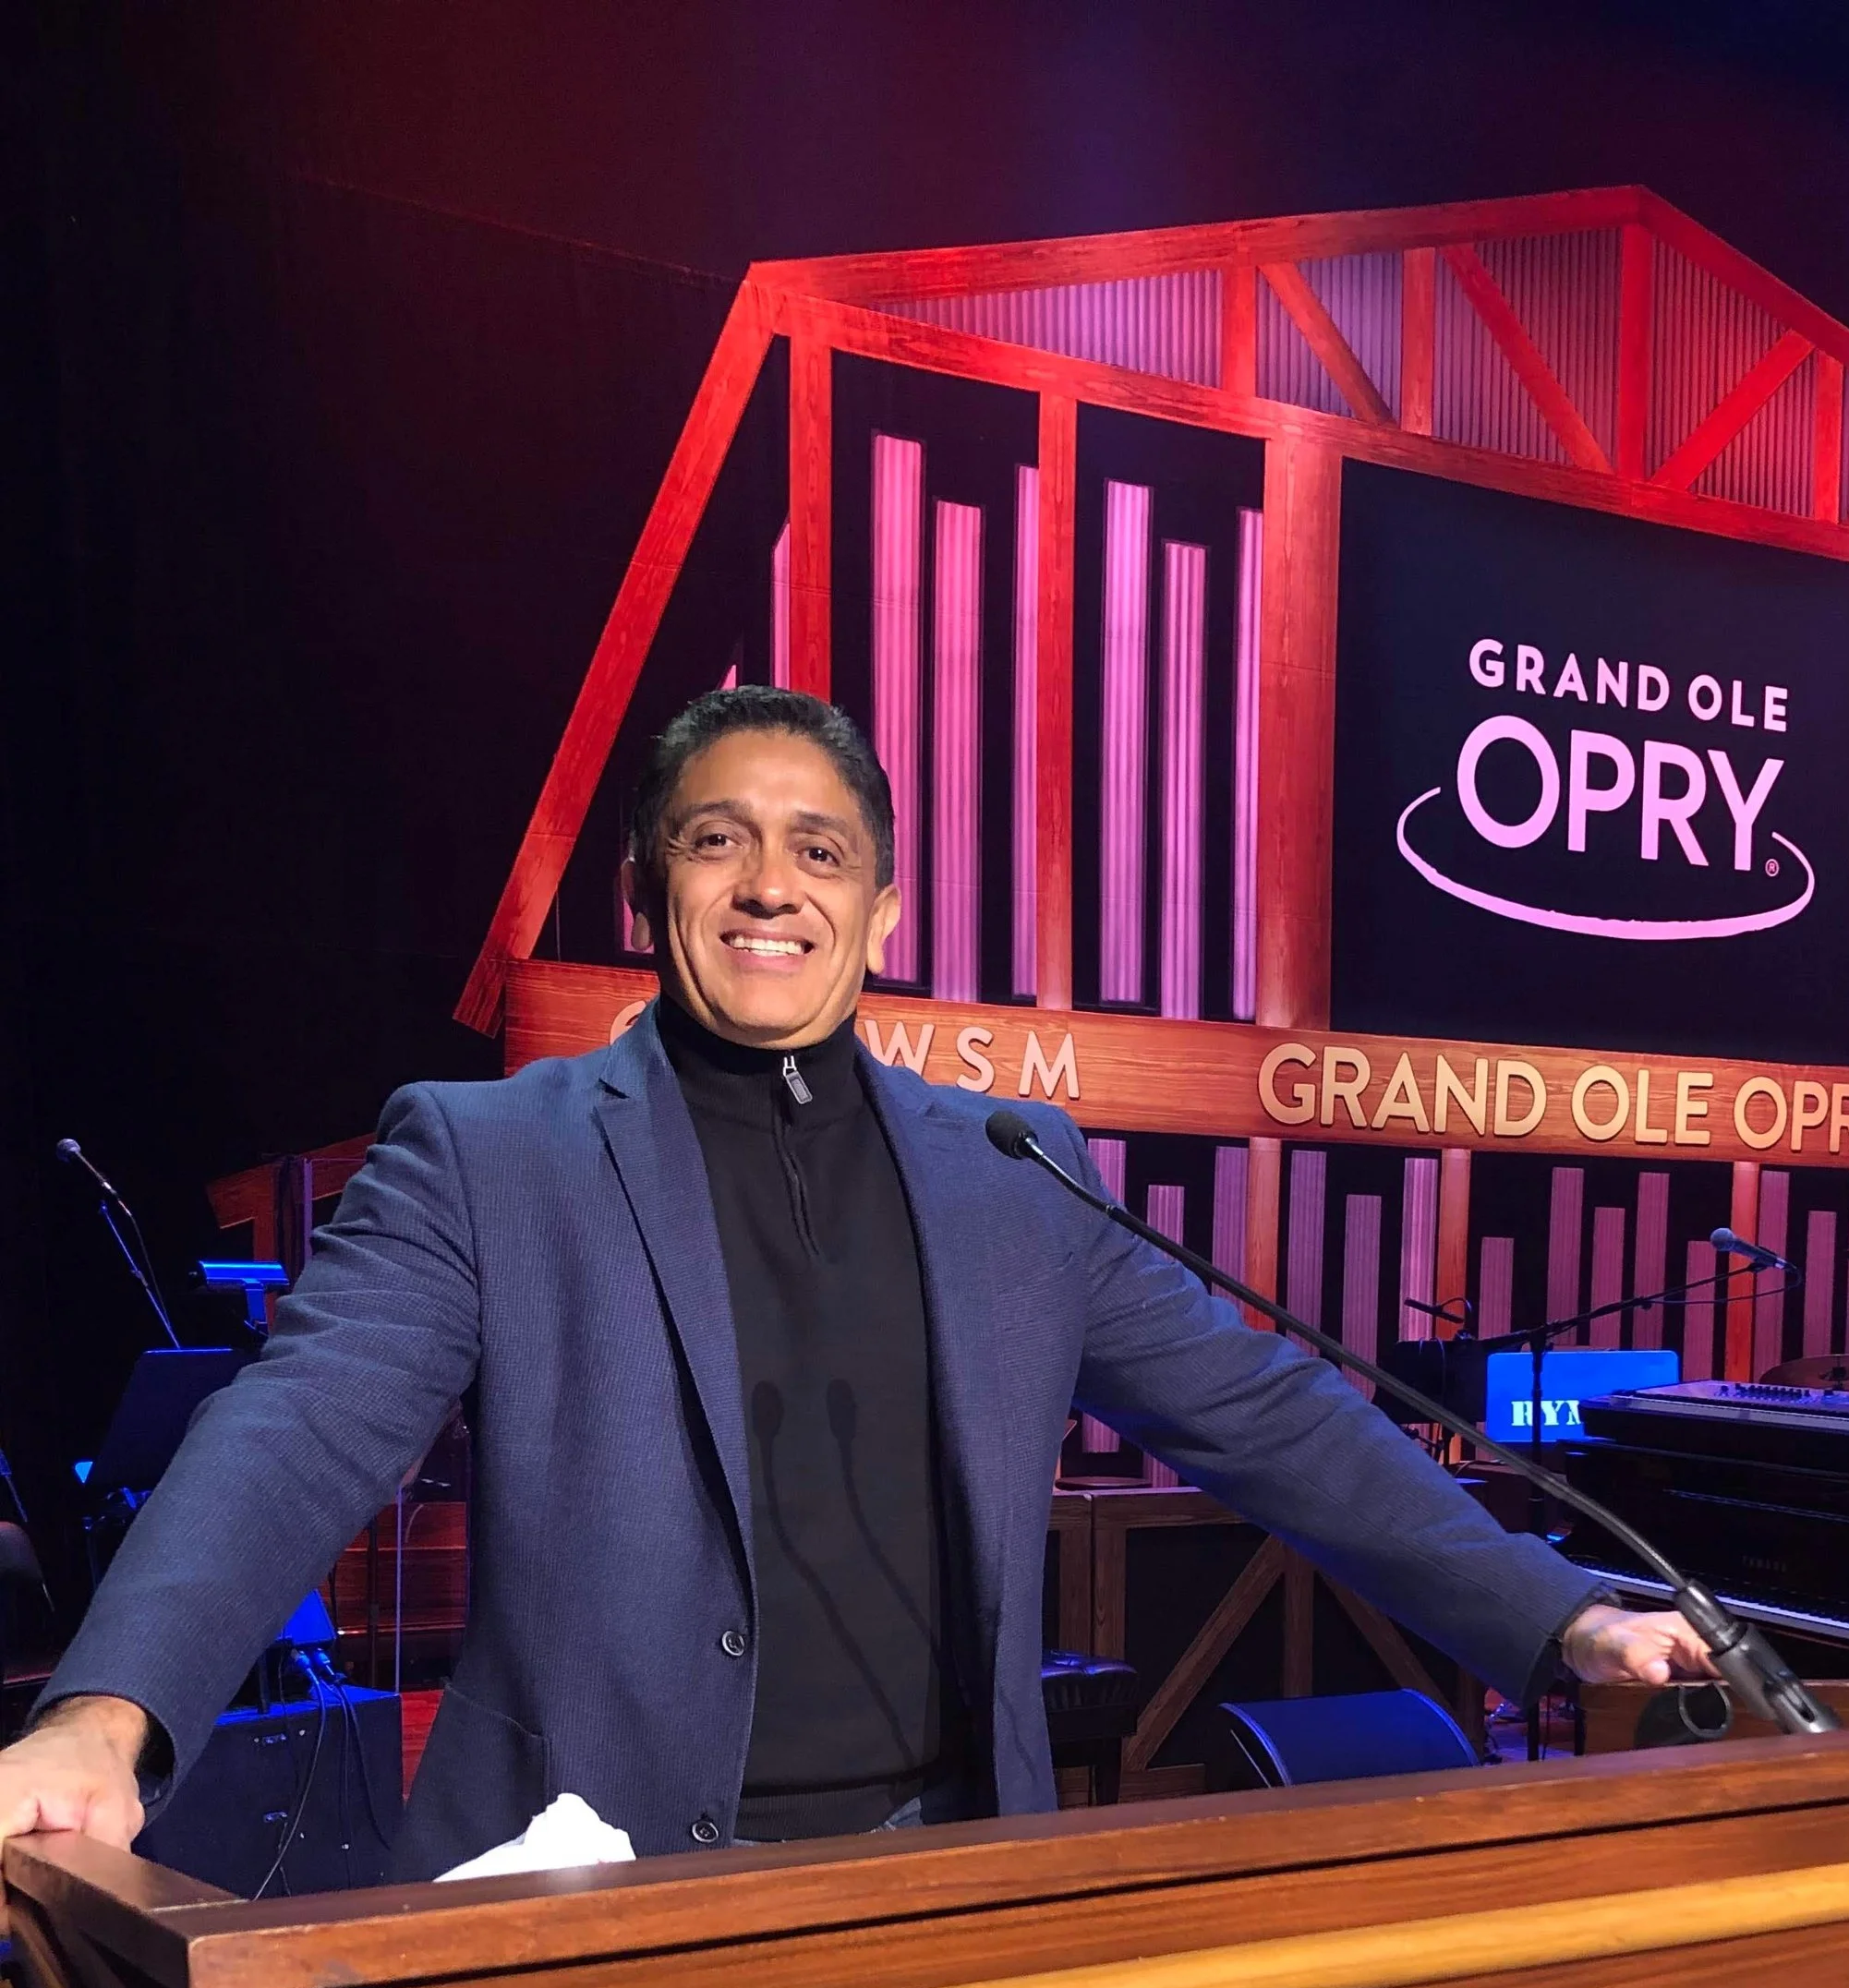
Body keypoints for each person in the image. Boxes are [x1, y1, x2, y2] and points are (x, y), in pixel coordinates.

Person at [0, 688, 1713, 1874]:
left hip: (943, 1876)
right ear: (645, 888)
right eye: (719, 843)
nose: (770, 887)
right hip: (599, 1892)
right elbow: (296, 1427)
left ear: (880, 909)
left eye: (820, 852)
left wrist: (1549, 1614)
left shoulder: (1009, 1172)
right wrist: (109, 1715)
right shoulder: (486, 1154)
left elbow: (1266, 1420)